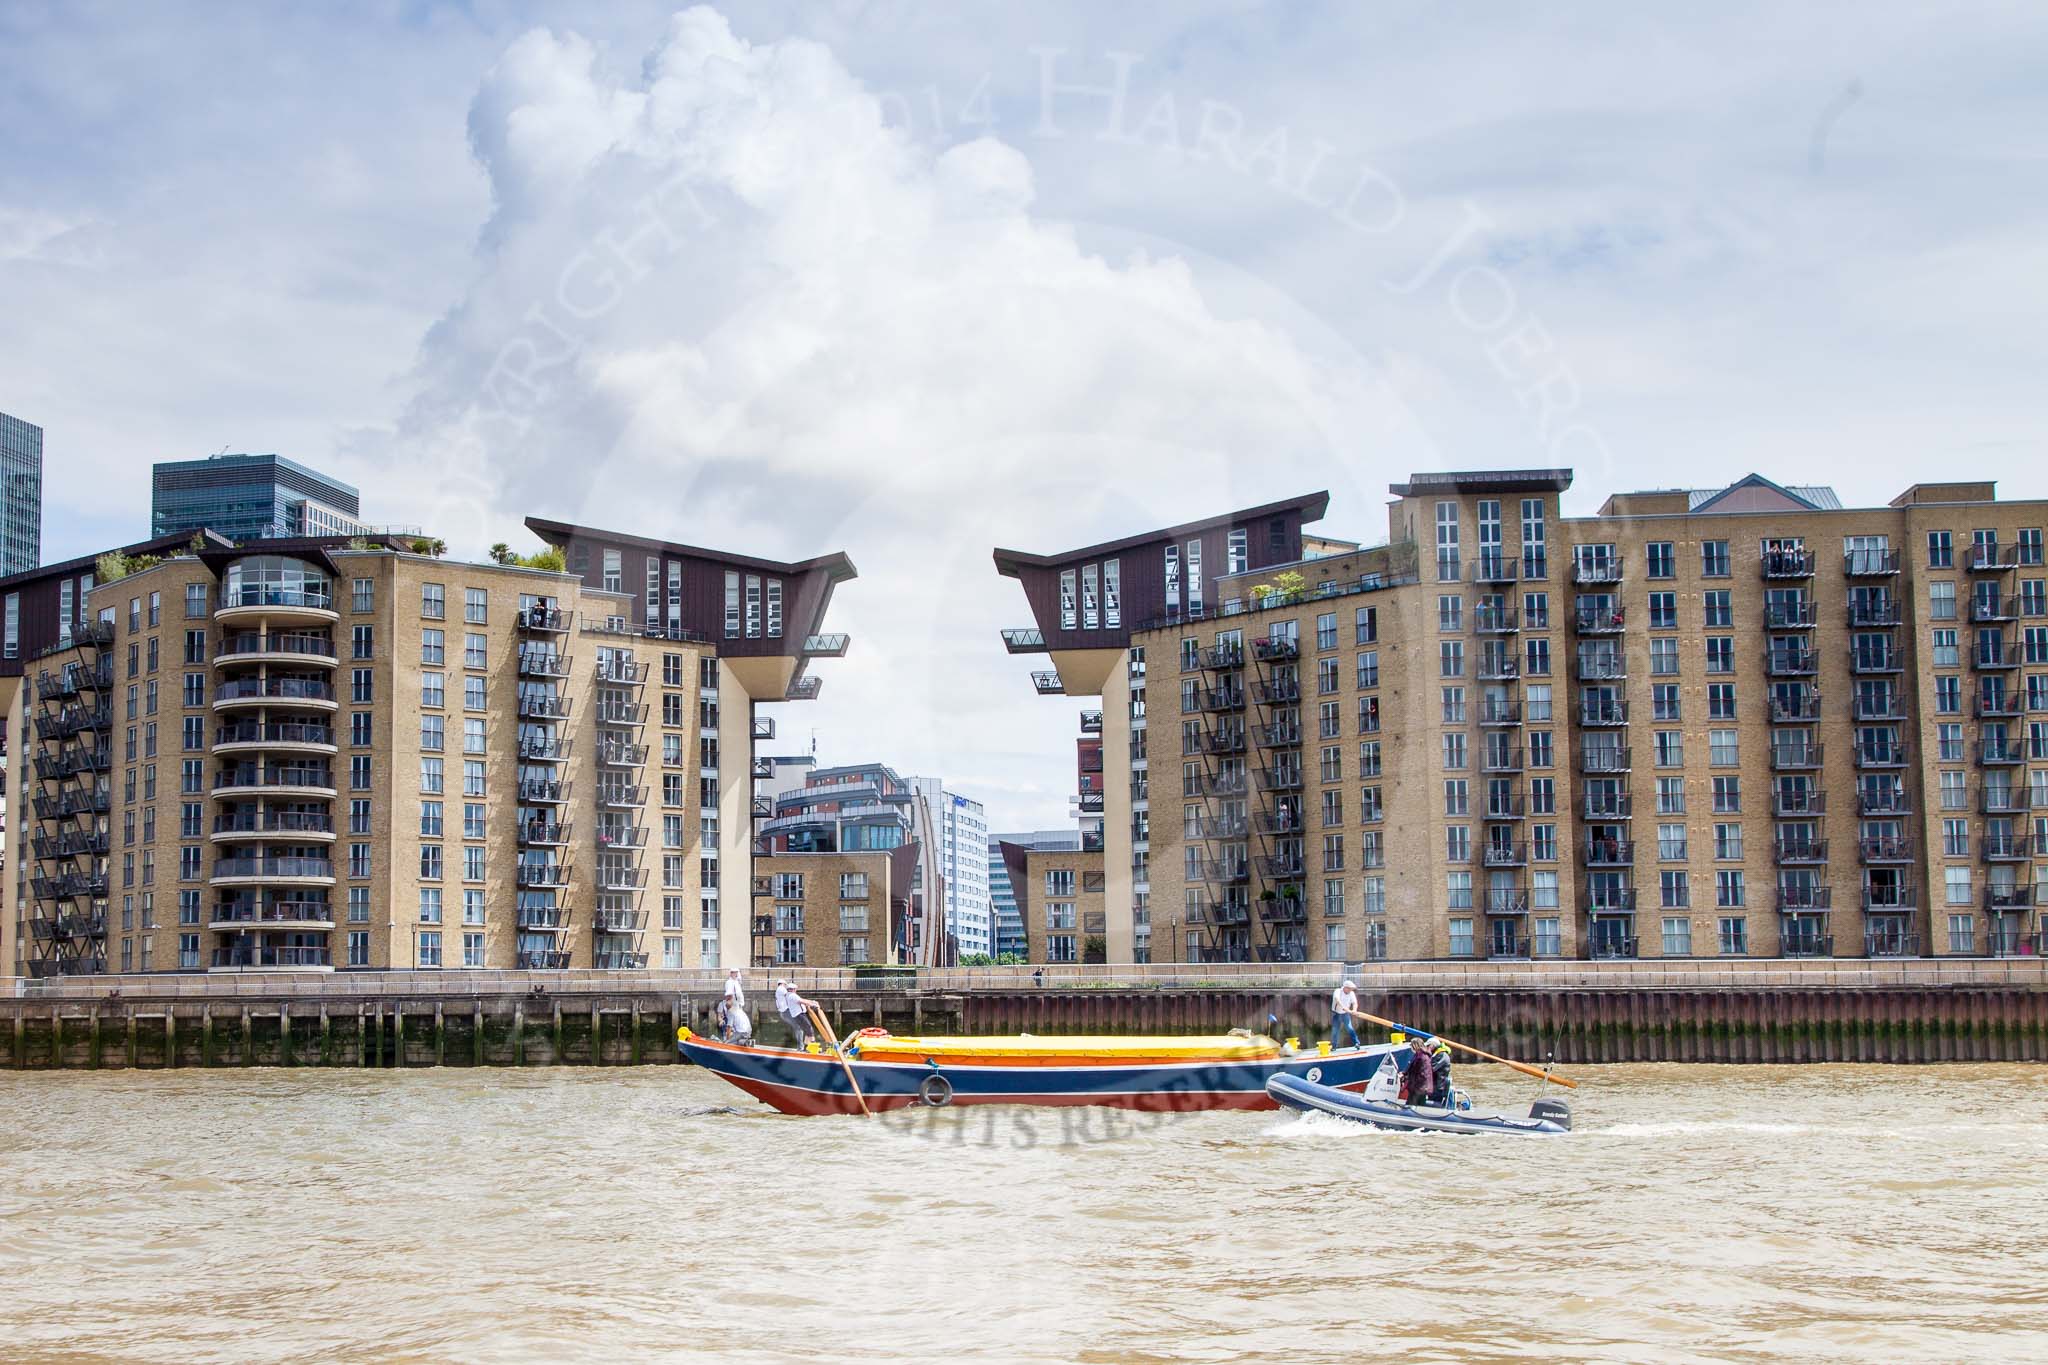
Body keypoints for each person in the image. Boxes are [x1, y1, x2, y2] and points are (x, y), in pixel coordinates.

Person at [1403, 1037, 1434, 1107]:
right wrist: (1404, 1073)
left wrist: (1411, 1081)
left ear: (1416, 1045)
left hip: (1420, 1087)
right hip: (1418, 1086)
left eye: (1412, 1045)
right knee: (1414, 1104)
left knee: (1412, 1105)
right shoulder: (1418, 1055)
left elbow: (1422, 1073)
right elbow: (1411, 1068)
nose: (1411, 1047)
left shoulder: (1422, 1057)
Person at [1330, 980, 1362, 1049]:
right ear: (1345, 987)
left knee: (1350, 1028)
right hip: (1336, 1013)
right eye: (1350, 988)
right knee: (1335, 1030)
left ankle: (1357, 1043)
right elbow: (1337, 1000)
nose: (1351, 990)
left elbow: (1354, 1003)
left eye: (1351, 989)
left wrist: (1354, 1010)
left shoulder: (1351, 993)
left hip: (1345, 1014)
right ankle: (1334, 1046)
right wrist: (1345, 1008)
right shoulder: (1338, 991)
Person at [1429, 1039, 1453, 1107]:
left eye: (1428, 1046)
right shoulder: (1439, 1054)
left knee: (1434, 1103)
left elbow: (1432, 1068)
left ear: (1433, 1045)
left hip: (1438, 1086)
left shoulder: (1441, 1055)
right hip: (1437, 1084)